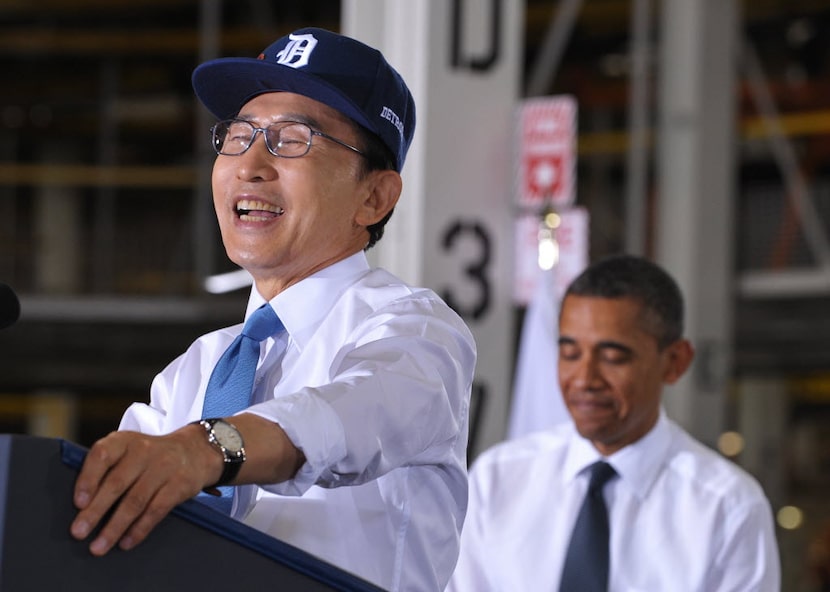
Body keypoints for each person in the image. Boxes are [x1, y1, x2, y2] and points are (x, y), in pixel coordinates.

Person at [69, 27, 476, 592]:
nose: (250, 165)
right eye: (237, 136)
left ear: (374, 197)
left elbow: (352, 417)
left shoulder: (414, 332)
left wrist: (206, 449)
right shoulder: (195, 370)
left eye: (293, 140)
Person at [448, 254, 780, 591]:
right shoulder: (498, 479)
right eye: (570, 353)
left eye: (613, 357)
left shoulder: (727, 507)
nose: (584, 379)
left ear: (675, 362)